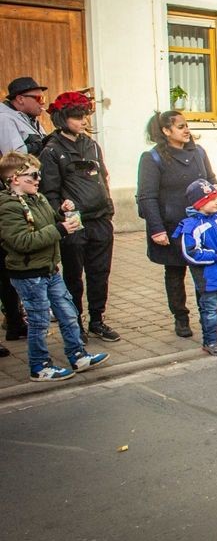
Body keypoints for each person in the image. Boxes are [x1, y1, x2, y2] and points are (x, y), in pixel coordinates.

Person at [0, 151, 107, 381]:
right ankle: (39, 367)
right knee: (38, 322)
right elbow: (21, 241)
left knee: (68, 313)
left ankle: (77, 355)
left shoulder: (37, 199)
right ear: (15, 179)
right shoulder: (7, 206)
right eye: (33, 175)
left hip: (49, 269)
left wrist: (61, 213)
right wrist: (59, 229)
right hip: (29, 273)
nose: (39, 179)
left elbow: (49, 222)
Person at [39, 91, 120, 343]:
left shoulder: (91, 144)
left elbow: (103, 178)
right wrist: (60, 217)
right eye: (77, 116)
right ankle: (75, 323)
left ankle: (97, 319)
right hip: (74, 224)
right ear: (63, 118)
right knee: (73, 276)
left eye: (85, 115)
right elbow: (49, 191)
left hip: (100, 221)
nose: (83, 121)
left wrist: (108, 208)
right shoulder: (52, 151)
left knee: (99, 273)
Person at [136, 111, 216, 338]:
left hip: (200, 225)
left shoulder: (198, 152)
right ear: (166, 131)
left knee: (204, 271)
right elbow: (147, 196)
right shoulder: (152, 158)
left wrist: (215, 200)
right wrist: (157, 229)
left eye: (186, 125)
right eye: (180, 126)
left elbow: (210, 180)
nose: (186, 130)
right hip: (172, 226)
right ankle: (180, 318)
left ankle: (208, 313)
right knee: (175, 273)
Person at [0, 77, 48, 350]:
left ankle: (17, 319)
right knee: (9, 260)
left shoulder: (29, 118)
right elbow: (15, 160)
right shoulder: (6, 120)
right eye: (37, 98)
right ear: (20, 99)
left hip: (26, 193)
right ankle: (15, 318)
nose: (42, 103)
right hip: (12, 195)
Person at [175, 180, 217, 356]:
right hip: (208, 279)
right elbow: (191, 253)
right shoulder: (191, 226)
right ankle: (210, 341)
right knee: (209, 311)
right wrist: (216, 255)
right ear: (200, 203)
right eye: (212, 199)